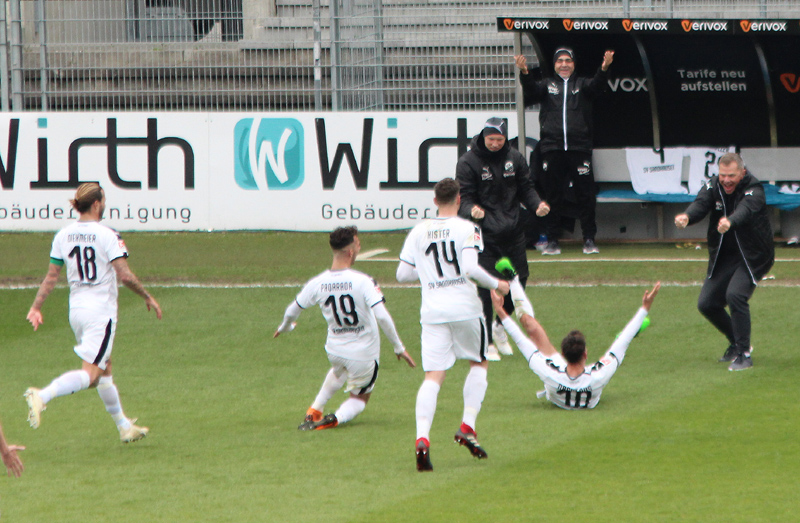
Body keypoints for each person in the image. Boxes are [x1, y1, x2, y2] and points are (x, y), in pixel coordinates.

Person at [25, 182, 162, 443]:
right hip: (100, 312)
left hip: (76, 311)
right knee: (91, 375)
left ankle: (124, 426)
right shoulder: (108, 235)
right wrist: (146, 296)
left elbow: (51, 277)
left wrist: (36, 306)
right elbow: (125, 275)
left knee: (105, 367)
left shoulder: (63, 235)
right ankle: (42, 395)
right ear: (97, 204)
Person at [396, 178, 510, 472]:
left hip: (432, 311)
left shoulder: (419, 230)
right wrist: (498, 283)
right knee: (479, 362)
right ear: (460, 201)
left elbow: (402, 274)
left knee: (433, 376)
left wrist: (429, 275)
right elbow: (471, 268)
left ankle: (422, 438)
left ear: (435, 201)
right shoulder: (467, 228)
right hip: (465, 307)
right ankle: (467, 426)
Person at [274, 226, 415, 431]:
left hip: (335, 350)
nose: (359, 248)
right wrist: (398, 347)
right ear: (350, 251)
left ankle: (314, 410)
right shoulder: (363, 281)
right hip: (362, 353)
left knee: (338, 371)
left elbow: (291, 311)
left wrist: (285, 327)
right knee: (360, 399)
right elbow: (382, 316)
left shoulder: (318, 282)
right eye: (358, 245)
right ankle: (334, 419)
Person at [456, 117, 550, 361]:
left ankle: (500, 326)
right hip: (483, 235)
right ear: (483, 136)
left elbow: (525, 188)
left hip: (513, 231)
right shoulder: (468, 162)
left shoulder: (515, 158)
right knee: (487, 288)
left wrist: (536, 204)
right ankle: (486, 341)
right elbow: (463, 198)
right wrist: (472, 211)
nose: (495, 144)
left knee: (519, 281)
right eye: (491, 139)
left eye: (499, 139)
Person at [491, 274, 660, 409]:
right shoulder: (597, 376)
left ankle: (513, 280)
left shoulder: (551, 374)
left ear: (562, 354)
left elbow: (521, 341)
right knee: (620, 343)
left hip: (560, 380)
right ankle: (513, 279)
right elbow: (622, 343)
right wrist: (645, 308)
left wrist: (499, 309)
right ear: (585, 353)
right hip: (583, 382)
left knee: (532, 330)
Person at [674, 152, 774, 371]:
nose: (726, 180)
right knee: (707, 304)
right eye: (723, 175)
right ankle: (735, 342)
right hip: (725, 255)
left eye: (731, 175)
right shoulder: (714, 186)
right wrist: (687, 217)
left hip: (753, 255)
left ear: (742, 173)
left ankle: (744, 354)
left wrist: (730, 221)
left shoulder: (754, 190)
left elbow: (745, 211)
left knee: (735, 295)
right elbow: (700, 204)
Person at [515, 48, 614, 255]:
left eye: (568, 60)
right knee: (553, 196)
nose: (564, 64)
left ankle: (588, 239)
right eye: (559, 60)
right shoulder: (547, 85)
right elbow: (531, 91)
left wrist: (604, 68)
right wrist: (525, 72)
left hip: (579, 148)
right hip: (552, 148)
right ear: (554, 64)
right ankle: (552, 240)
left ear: (574, 64)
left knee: (585, 196)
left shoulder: (582, 84)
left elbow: (597, 85)